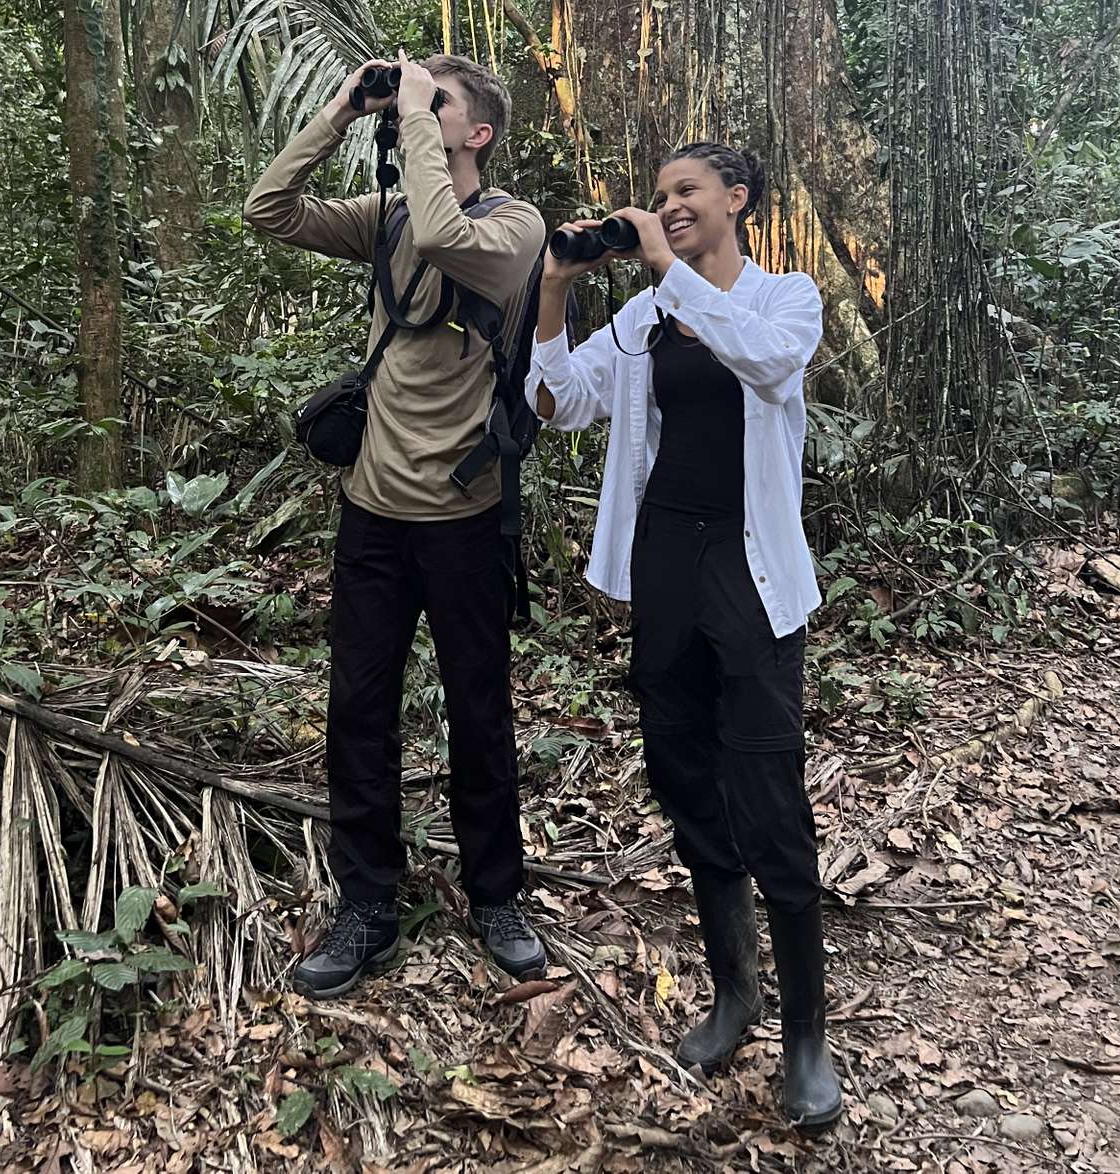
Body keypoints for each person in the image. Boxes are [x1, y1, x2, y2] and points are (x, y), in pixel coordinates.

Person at [525, 143, 841, 1130]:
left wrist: (665, 265)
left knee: (769, 794)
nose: (667, 208)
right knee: (687, 783)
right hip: (665, 569)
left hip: (748, 579)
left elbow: (767, 361)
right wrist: (552, 290)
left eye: (685, 193)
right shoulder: (646, 315)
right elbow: (559, 401)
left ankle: (807, 1037)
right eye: (659, 199)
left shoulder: (787, 298)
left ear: (737, 198)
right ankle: (735, 994)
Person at [243, 51, 547, 998]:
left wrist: (413, 111)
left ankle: (497, 893)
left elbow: (453, 241)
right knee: (358, 714)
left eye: (440, 104)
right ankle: (367, 902)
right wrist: (342, 108)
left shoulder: (517, 229)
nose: (418, 110)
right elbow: (269, 210)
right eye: (420, 101)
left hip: (465, 518)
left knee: (478, 710)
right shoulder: (391, 217)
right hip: (373, 512)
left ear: (478, 133)